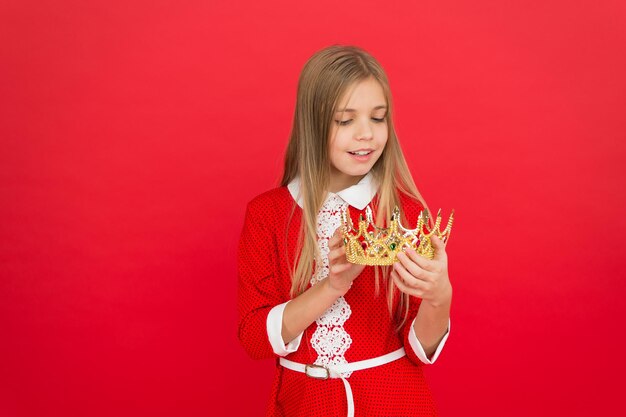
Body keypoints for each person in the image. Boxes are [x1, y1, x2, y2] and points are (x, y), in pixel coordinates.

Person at [237, 44, 452, 417]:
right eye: (345, 120)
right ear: (314, 123)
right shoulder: (267, 214)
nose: (366, 135)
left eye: (378, 118)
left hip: (395, 402)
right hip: (304, 404)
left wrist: (440, 295)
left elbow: (420, 350)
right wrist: (332, 286)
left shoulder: (405, 213)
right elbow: (256, 339)